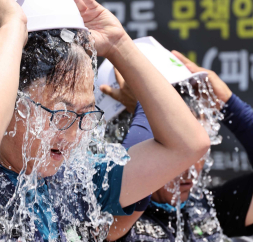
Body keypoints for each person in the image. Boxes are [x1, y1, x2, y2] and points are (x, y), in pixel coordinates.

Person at [0, 0, 210, 241]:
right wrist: (10, 28)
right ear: (11, 102)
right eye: (61, 115)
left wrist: (119, 45)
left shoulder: (80, 181)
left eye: (85, 115)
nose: (72, 135)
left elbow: (187, 145)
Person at [102, 52, 253, 241]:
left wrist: (231, 105)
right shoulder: (112, 217)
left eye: (197, 148)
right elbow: (126, 182)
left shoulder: (208, 208)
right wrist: (149, 102)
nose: (189, 168)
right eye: (175, 147)